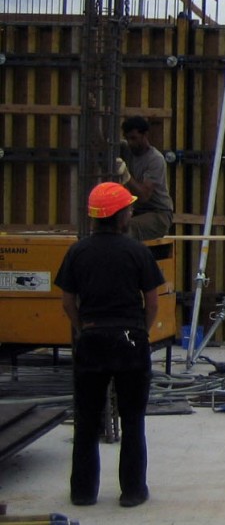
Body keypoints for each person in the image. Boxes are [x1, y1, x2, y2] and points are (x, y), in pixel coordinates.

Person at [56, 182, 165, 508]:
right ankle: (132, 492)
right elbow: (152, 301)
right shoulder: (137, 251)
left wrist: (82, 328)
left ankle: (83, 492)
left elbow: (67, 301)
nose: (131, 212)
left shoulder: (78, 251)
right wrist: (141, 332)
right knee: (132, 419)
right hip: (130, 341)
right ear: (121, 216)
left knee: (86, 420)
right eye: (129, 209)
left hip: (91, 339)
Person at [117, 116, 173, 241]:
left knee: (126, 228)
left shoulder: (155, 159)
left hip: (159, 215)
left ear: (145, 135)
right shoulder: (126, 149)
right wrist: (94, 115)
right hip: (137, 213)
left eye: (134, 138)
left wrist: (126, 176)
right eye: (127, 138)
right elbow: (102, 145)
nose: (130, 142)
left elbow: (144, 196)